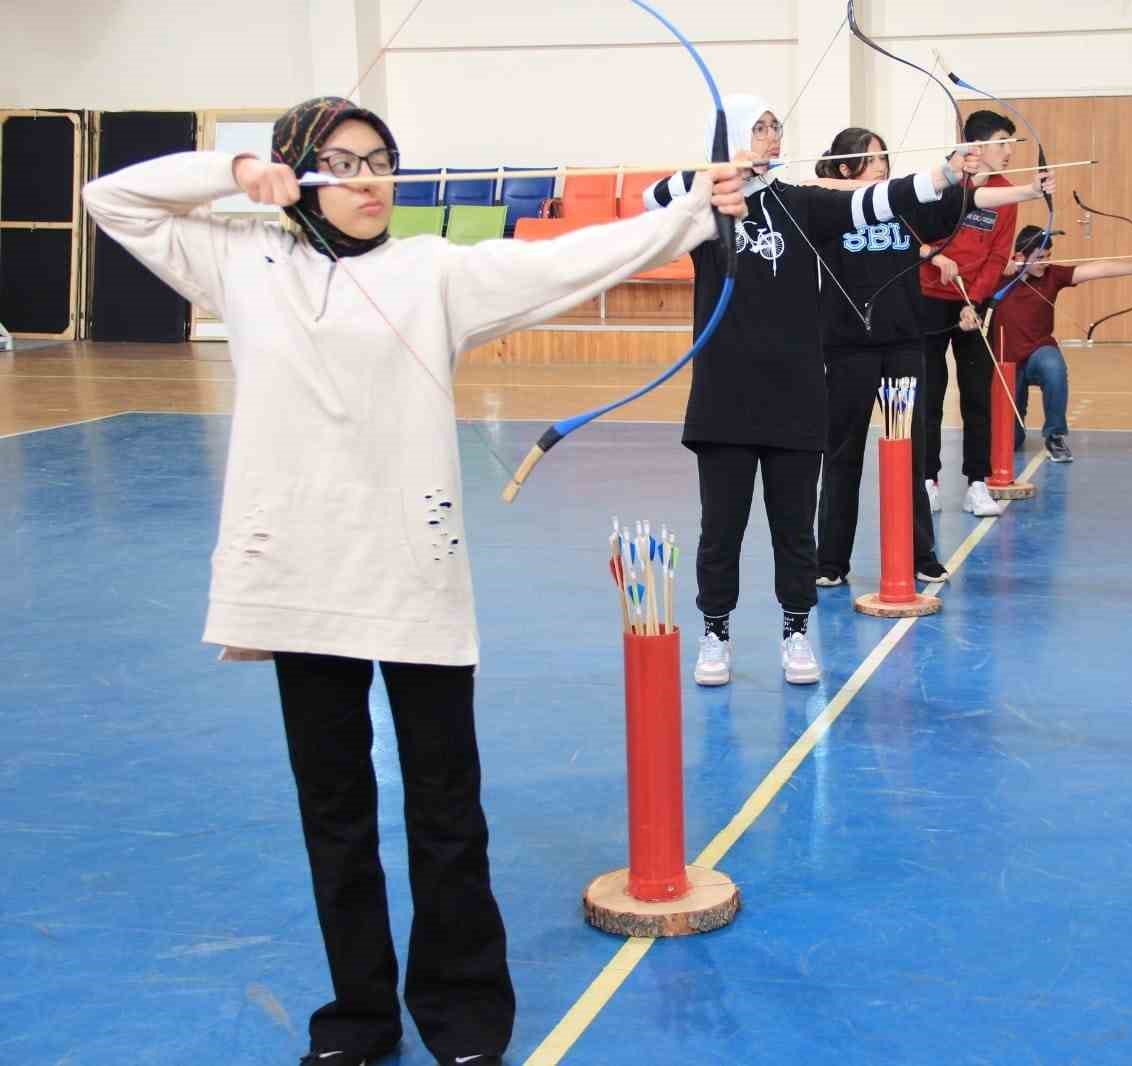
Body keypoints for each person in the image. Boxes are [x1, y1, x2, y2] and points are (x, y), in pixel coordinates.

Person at [82, 95, 748, 1066]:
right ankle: (357, 1018)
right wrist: (230, 174)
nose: (369, 182)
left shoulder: (434, 272)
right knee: (335, 816)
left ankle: (465, 1018)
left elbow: (565, 259)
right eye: (344, 164)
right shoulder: (238, 261)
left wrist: (692, 209)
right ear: (296, 171)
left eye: (382, 163)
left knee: (446, 809)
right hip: (298, 577)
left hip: (409, 573)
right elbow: (113, 199)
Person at [641, 97, 974, 687]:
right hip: (724, 394)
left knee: (794, 527)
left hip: (796, 391)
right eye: (760, 128)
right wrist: (716, 175)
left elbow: (876, 201)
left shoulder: (799, 205)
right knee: (722, 527)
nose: (771, 137)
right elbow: (652, 202)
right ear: (735, 138)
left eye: (776, 127)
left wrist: (944, 173)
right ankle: (715, 632)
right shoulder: (702, 209)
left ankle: (796, 631)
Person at [810, 128, 1051, 587]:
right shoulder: (825, 209)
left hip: (903, 343)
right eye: (873, 158)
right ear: (846, 167)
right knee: (843, 454)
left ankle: (921, 554)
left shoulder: (902, 204)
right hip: (847, 347)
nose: (883, 165)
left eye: (884, 157)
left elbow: (968, 202)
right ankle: (830, 562)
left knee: (913, 453)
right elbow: (811, 191)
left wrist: (1027, 189)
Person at [918, 110, 1021, 518]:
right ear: (975, 147)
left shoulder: (1007, 195)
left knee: (977, 395)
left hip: (970, 306)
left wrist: (973, 302)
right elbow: (917, 234)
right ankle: (928, 480)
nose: (1009, 151)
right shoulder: (941, 182)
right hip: (926, 299)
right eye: (1001, 143)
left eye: (1011, 143)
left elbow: (998, 257)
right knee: (929, 395)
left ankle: (977, 483)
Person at [991, 225, 1132, 461]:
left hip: (1038, 353)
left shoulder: (1053, 275)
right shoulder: (999, 276)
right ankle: (1013, 432)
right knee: (1011, 441)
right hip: (1006, 365)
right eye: (1039, 258)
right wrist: (999, 270)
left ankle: (1055, 436)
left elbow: (1096, 270)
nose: (1046, 262)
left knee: (1054, 366)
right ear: (1019, 257)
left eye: (1049, 256)